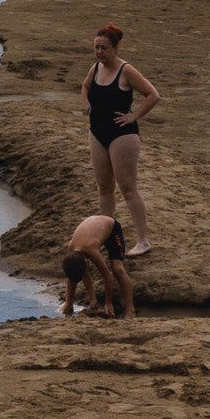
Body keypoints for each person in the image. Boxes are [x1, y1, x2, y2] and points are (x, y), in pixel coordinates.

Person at [84, 24, 158, 257]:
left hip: (122, 136)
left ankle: (143, 241)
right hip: (97, 132)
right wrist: (87, 106)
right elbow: (85, 87)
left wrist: (133, 116)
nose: (99, 52)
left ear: (116, 48)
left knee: (127, 188)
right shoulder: (95, 68)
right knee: (104, 188)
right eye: (96, 48)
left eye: (104, 48)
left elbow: (153, 95)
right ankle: (108, 236)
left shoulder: (126, 71)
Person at [59, 213, 134, 319]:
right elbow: (74, 275)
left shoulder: (91, 250)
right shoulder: (71, 250)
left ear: (86, 261)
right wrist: (90, 299)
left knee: (117, 269)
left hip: (112, 228)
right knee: (74, 270)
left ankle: (131, 310)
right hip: (94, 228)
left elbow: (107, 276)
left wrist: (108, 302)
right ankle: (69, 302)